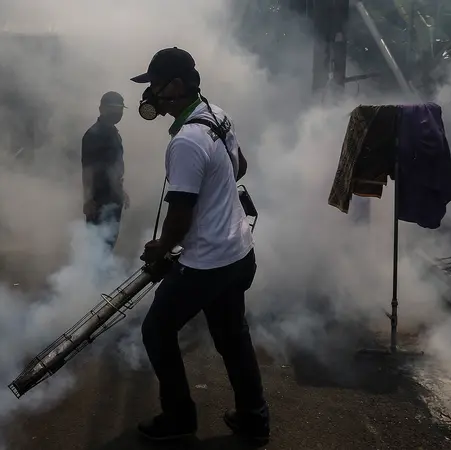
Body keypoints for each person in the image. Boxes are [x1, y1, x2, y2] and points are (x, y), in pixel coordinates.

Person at [131, 47, 269, 443]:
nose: (151, 95)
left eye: (154, 85)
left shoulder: (187, 142)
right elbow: (239, 166)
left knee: (157, 331)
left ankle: (178, 420)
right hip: (240, 252)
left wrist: (161, 247)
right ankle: (254, 419)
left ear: (175, 85)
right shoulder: (217, 115)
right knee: (232, 337)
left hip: (208, 264)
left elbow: (180, 215)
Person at [81, 91, 129, 249]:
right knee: (96, 247)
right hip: (99, 200)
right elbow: (88, 168)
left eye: (120, 109)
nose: (117, 112)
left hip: (113, 198)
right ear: (101, 109)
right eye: (112, 108)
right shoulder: (93, 135)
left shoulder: (113, 133)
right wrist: (88, 199)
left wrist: (121, 191)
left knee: (108, 243)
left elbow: (114, 168)